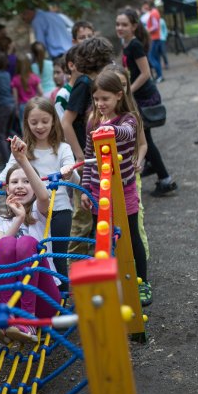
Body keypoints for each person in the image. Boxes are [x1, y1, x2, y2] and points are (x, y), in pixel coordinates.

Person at [0, 97, 76, 292]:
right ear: (26, 122)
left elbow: (74, 177)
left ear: (53, 120)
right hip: (31, 211)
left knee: (57, 258)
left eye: (45, 121)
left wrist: (69, 171)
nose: (40, 126)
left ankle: (62, 296)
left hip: (58, 210)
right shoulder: (23, 149)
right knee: (34, 255)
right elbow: (6, 174)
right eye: (33, 122)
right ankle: (35, 294)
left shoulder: (62, 148)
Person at [81, 70, 151, 306]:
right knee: (101, 237)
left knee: (130, 236)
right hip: (98, 191)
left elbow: (128, 133)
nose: (100, 104)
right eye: (96, 99)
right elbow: (90, 156)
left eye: (105, 99)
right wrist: (84, 189)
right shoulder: (92, 120)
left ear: (119, 96)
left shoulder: (127, 119)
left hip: (124, 190)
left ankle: (142, 282)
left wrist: (109, 130)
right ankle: (109, 284)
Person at [0, 137, 61, 343]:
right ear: (7, 189)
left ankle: (28, 322)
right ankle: (7, 318)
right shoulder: (1, 220)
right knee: (5, 243)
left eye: (26, 182)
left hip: (44, 298)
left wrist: (22, 159)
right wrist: (19, 218)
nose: (20, 186)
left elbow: (43, 195)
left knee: (27, 243)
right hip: (11, 298)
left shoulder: (40, 212)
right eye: (14, 182)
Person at [61, 38, 114, 258]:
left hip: (97, 152)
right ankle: (73, 266)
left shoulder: (97, 82)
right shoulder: (84, 84)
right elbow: (66, 122)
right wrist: (81, 155)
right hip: (86, 156)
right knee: (82, 215)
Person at [116, 8, 177, 197]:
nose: (120, 27)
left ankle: (165, 179)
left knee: (146, 140)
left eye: (124, 24)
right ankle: (154, 167)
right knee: (143, 139)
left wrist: (128, 91)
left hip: (146, 97)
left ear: (134, 26)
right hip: (137, 97)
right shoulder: (126, 44)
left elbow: (146, 74)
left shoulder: (135, 45)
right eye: (118, 24)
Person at [104, 64, 150, 262]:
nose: (120, 89)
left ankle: (142, 264)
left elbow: (142, 145)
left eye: (123, 84)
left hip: (130, 175)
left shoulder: (132, 116)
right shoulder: (98, 116)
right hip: (108, 179)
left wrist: (138, 161)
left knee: (135, 222)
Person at [12, 55, 43, 129]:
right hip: (34, 104)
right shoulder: (34, 77)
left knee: (24, 126)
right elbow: (41, 92)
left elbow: (15, 98)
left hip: (23, 106)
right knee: (35, 124)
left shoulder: (15, 79)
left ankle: (26, 140)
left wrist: (16, 109)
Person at [142, 0, 164, 83]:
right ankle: (159, 75)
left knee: (152, 58)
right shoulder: (155, 12)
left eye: (146, 4)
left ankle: (159, 76)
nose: (144, 6)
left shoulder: (153, 13)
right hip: (156, 38)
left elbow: (155, 26)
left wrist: (147, 31)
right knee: (156, 58)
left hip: (153, 38)